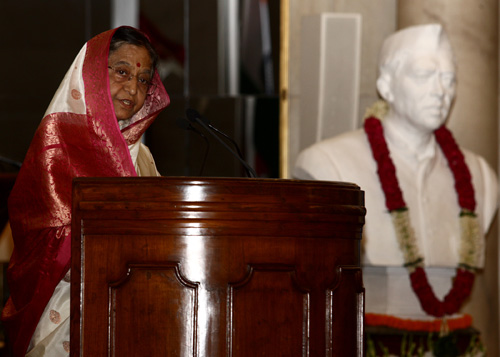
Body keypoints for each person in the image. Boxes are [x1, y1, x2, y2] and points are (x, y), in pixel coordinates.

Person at [294, 24, 498, 353]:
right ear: (386, 86)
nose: (439, 91)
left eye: (448, 79)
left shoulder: (481, 176)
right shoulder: (328, 165)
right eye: (424, 75)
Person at [1, 26, 170, 356]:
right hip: (65, 303)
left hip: (132, 305)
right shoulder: (59, 139)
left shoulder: (142, 153)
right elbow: (41, 229)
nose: (132, 88)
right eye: (122, 72)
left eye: (143, 80)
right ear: (91, 72)